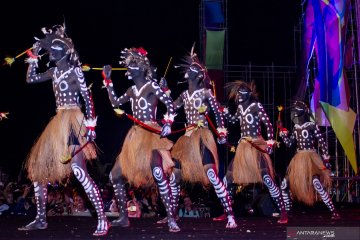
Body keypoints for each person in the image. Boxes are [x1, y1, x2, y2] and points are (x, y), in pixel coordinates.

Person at [17, 24, 109, 236]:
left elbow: (87, 97)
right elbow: (30, 79)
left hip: (73, 120)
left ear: (66, 50)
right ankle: (41, 219)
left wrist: (91, 125)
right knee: (39, 172)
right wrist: (34, 55)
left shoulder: (75, 70)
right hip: (57, 122)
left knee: (78, 170)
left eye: (54, 46)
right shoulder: (53, 71)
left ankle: (103, 219)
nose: (51, 50)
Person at [158, 45, 237, 229]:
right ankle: (172, 215)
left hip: (201, 137)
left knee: (211, 174)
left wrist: (222, 133)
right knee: (174, 177)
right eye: (189, 68)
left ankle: (230, 215)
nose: (189, 69)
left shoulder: (206, 93)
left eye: (193, 68)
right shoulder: (184, 95)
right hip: (185, 139)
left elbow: (217, 114)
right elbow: (172, 108)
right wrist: (165, 91)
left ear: (199, 75)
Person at [102, 47, 180, 232]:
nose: (130, 66)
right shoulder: (130, 90)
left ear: (143, 67)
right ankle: (123, 217)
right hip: (135, 136)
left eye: (134, 63)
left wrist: (168, 123)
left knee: (159, 174)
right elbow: (114, 103)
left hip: (152, 133)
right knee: (115, 175)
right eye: (129, 63)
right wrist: (108, 80)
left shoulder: (152, 86)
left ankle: (171, 218)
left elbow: (170, 105)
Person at [221, 80, 288, 224]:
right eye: (237, 94)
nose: (238, 96)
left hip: (256, 146)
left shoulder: (256, 106)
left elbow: (269, 125)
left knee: (267, 179)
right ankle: (227, 211)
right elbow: (233, 120)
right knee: (228, 178)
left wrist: (269, 142)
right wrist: (225, 113)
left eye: (240, 94)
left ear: (247, 94)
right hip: (243, 146)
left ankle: (283, 211)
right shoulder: (239, 108)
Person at [278, 100, 340, 220]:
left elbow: (322, 142)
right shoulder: (296, 128)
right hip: (299, 158)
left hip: (311, 158)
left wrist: (326, 159)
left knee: (316, 184)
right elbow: (290, 144)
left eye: (297, 109)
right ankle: (288, 211)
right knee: (285, 185)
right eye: (294, 109)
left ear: (303, 111)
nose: (295, 111)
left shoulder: (312, 125)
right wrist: (283, 135)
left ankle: (333, 211)